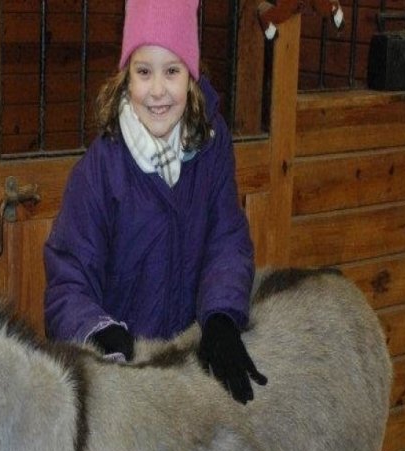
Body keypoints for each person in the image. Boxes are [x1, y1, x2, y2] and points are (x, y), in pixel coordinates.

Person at [43, 0, 266, 404]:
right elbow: (68, 278)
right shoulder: (100, 171)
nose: (158, 91)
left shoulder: (210, 148)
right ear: (126, 78)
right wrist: (98, 330)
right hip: (123, 378)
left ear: (191, 78)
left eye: (172, 71)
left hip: (189, 371)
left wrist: (220, 317)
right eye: (144, 72)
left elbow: (226, 239)